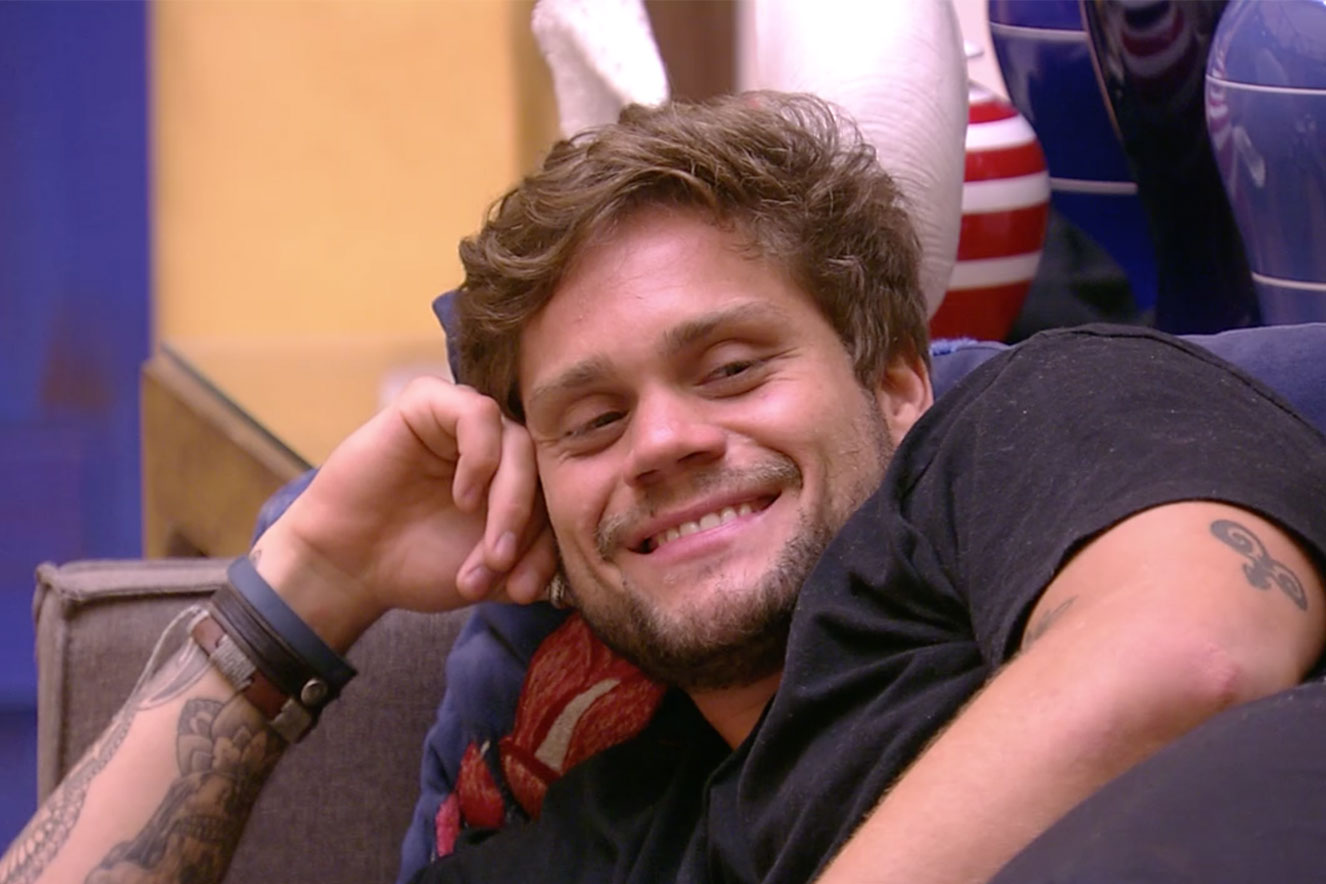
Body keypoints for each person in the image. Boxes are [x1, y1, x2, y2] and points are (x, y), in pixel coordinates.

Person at [4, 93, 1325, 884]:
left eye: (732, 368)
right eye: (590, 422)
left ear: (894, 382)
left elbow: (1188, 653)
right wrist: (302, 588)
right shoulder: (607, 841)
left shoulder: (1035, 423)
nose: (662, 441)